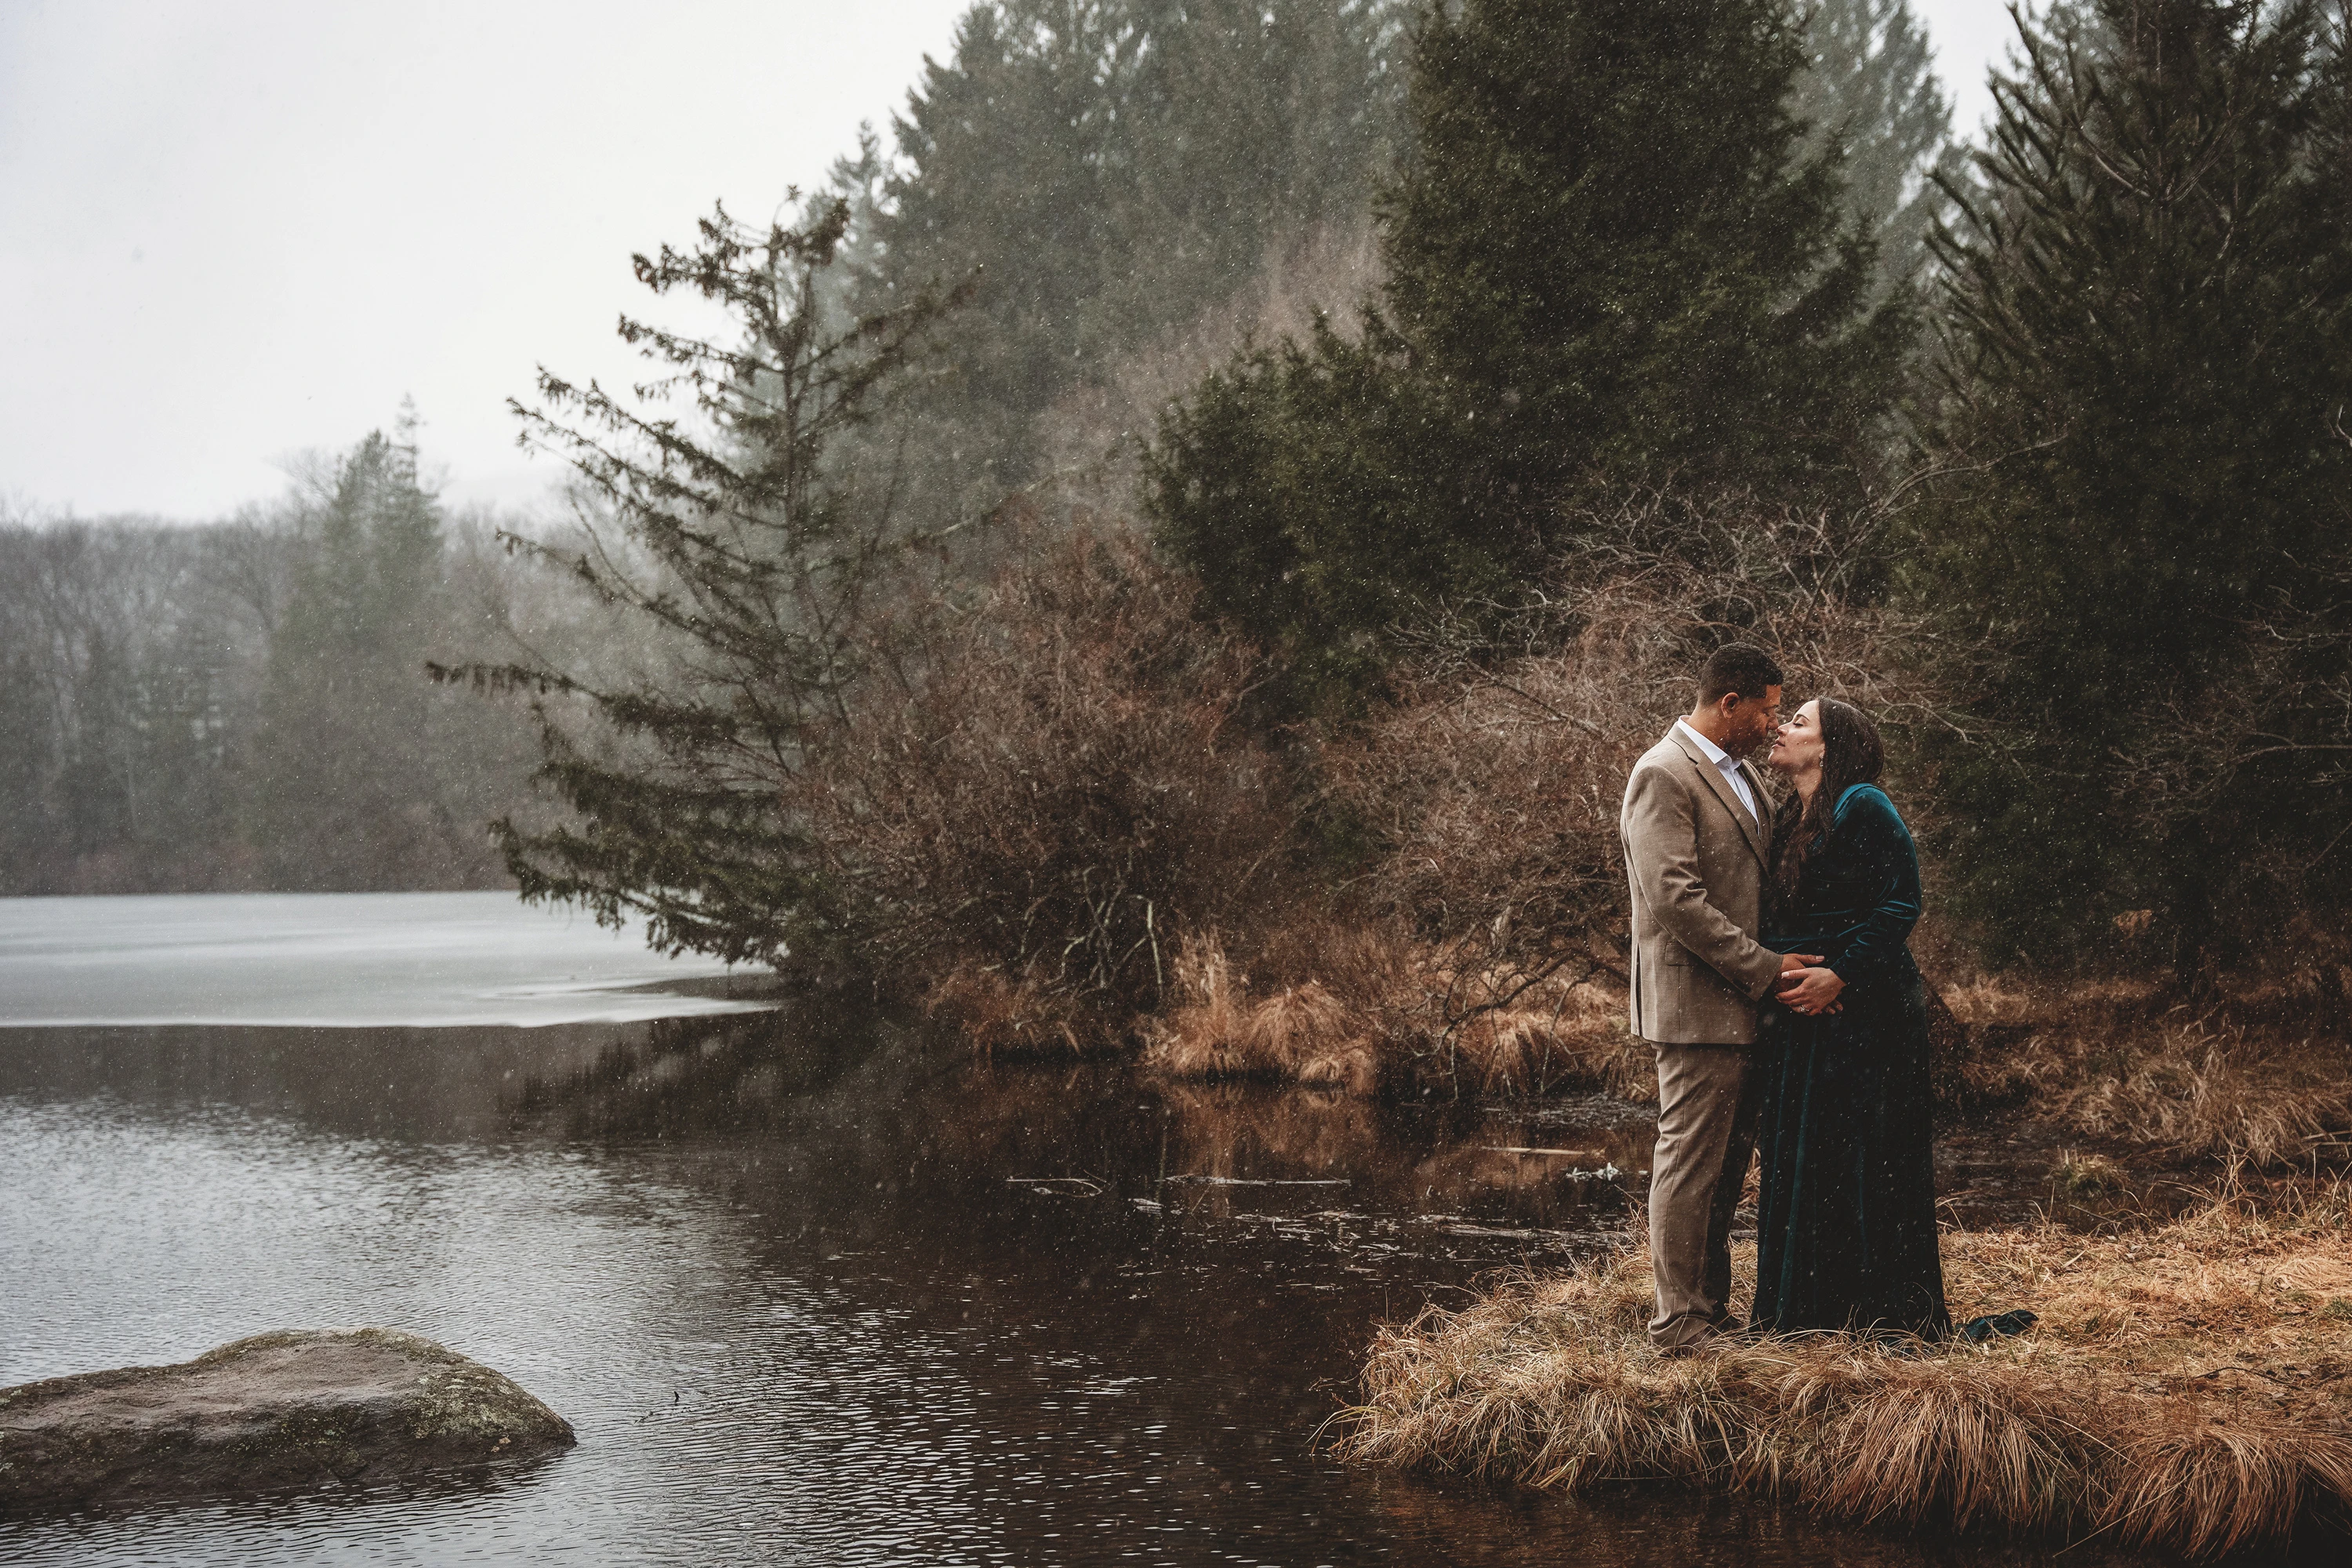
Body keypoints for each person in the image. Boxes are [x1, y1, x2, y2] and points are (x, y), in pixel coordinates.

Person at [1619, 644, 1821, 1355]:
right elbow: (1674, 899)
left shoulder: (1740, 774)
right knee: (1690, 1165)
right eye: (1766, 710)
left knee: (1726, 1170)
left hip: (1740, 1008)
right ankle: (1677, 1324)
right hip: (1695, 1009)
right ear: (1729, 703)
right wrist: (1766, 969)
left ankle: (1708, 1311)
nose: (1773, 724)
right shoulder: (1663, 773)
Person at [1752, 697, 1951, 1341]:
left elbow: (1901, 903)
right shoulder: (1791, 814)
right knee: (1807, 1154)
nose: (1782, 728)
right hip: (1801, 1014)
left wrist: (1840, 973)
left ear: (1830, 747)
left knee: (1866, 1154)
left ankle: (1879, 1313)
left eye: (1798, 722)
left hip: (1867, 1010)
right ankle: (1809, 1315)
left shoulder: (1864, 804)